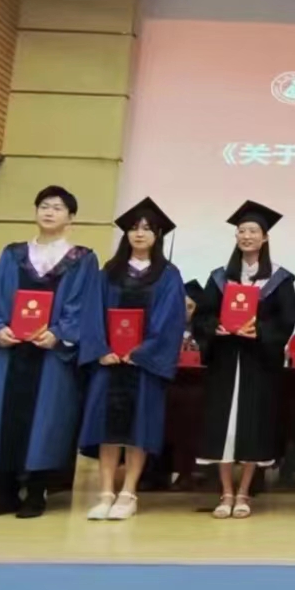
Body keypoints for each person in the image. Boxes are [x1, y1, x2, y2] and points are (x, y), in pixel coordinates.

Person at [0, 186, 102, 519]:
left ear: (71, 217)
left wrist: (59, 333)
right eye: (44, 206)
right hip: (11, 351)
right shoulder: (13, 254)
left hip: (51, 354)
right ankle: (2, 493)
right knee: (1, 418)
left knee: (47, 419)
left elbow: (84, 305)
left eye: (57, 207)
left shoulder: (81, 259)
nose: (49, 212)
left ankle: (36, 492)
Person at [79, 198, 187, 521]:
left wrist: (141, 353)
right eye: (134, 228)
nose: (139, 233)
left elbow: (170, 320)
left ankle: (128, 493)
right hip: (110, 362)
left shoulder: (168, 275)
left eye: (147, 228)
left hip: (143, 365)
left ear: (157, 235)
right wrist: (101, 350)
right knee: (107, 427)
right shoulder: (108, 272)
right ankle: (105, 493)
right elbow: (91, 314)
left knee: (139, 428)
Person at [193, 201, 295, 520]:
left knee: (253, 425)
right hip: (225, 361)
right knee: (224, 428)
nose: (247, 236)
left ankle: (244, 492)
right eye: (242, 231)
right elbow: (202, 316)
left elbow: (286, 321)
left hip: (258, 363)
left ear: (265, 238)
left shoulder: (280, 279)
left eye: (253, 231)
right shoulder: (219, 277)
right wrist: (215, 327)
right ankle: (226, 492)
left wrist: (259, 331)